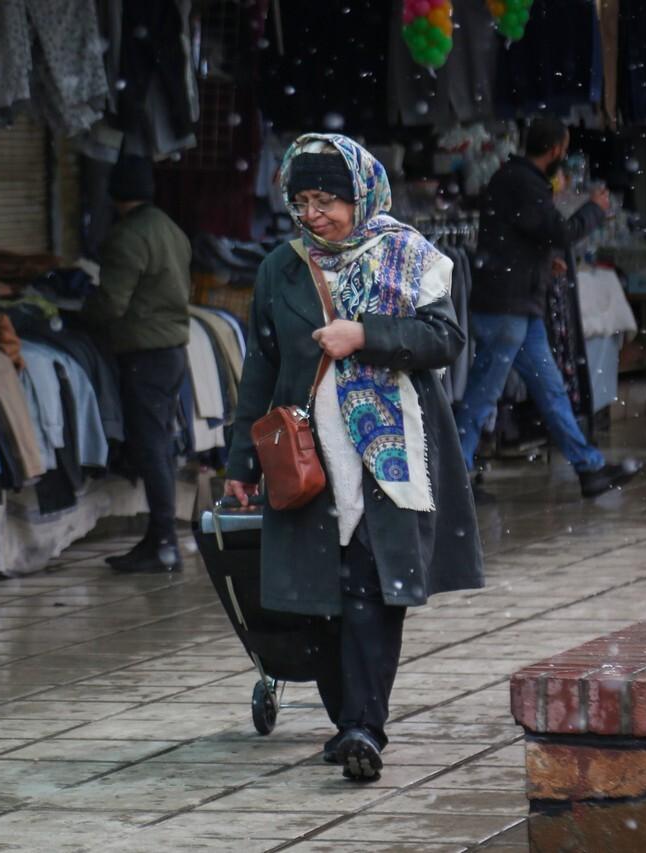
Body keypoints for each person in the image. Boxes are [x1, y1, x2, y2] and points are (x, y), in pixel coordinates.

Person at [224, 135, 484, 781]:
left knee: (370, 590)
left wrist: (366, 336)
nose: (313, 215)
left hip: (386, 457)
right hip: (307, 459)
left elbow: (443, 337)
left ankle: (363, 725)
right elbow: (260, 368)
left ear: (360, 196)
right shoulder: (279, 269)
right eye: (302, 201)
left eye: (326, 201)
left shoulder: (409, 254)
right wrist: (239, 464)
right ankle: (347, 720)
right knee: (318, 600)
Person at [455, 114, 640, 498]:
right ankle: (457, 478)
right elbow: (559, 232)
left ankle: (589, 469)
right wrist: (594, 209)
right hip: (507, 309)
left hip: (515, 306)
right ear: (557, 149)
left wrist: (544, 262)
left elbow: (520, 239)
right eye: (565, 147)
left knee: (548, 390)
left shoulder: (515, 179)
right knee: (482, 395)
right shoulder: (524, 183)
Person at [82, 154, 191, 573]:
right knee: (158, 446)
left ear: (115, 194)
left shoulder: (128, 236)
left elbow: (111, 302)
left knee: (151, 448)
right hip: (173, 352)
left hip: (144, 355)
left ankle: (164, 542)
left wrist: (77, 316)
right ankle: (159, 538)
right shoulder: (170, 229)